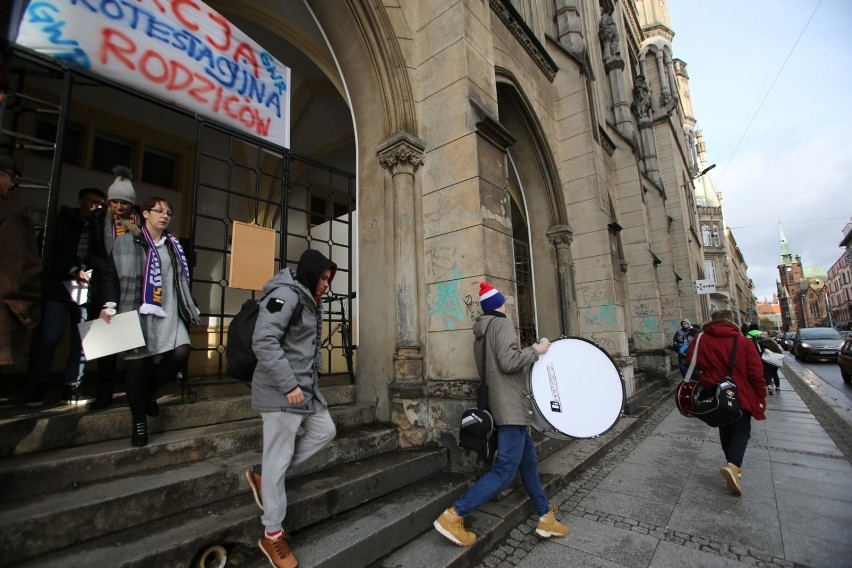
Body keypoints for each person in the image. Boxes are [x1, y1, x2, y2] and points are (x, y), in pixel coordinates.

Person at [433, 282, 568, 547]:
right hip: (511, 408)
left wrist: (524, 352)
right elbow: (508, 362)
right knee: (506, 469)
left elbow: (496, 365)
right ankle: (454, 514)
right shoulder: (502, 324)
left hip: (500, 405)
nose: (508, 304)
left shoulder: (482, 331)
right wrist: (536, 351)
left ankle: (544, 515)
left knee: (528, 462)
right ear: (499, 304)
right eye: (505, 301)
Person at [244, 249, 338, 568]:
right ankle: (272, 535)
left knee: (325, 431)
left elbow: (307, 345)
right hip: (280, 391)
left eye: (329, 279)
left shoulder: (310, 299)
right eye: (323, 277)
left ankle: (267, 476)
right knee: (279, 456)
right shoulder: (286, 295)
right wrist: (288, 385)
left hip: (304, 389)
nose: (326, 284)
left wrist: (314, 375)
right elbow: (264, 340)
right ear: (311, 273)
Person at [99, 196, 200, 447]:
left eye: (169, 212)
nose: (164, 215)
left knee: (181, 352)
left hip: (169, 310)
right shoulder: (126, 242)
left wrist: (190, 303)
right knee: (138, 365)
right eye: (159, 211)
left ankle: (148, 392)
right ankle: (139, 423)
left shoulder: (174, 246)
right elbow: (111, 276)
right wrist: (108, 305)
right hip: (138, 309)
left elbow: (179, 280)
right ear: (145, 213)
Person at [26, 188, 105, 407]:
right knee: (50, 336)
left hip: (87, 293)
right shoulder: (60, 223)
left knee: (82, 342)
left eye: (101, 203)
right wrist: (71, 270)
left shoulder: (101, 229)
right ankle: (37, 386)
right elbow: (45, 253)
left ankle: (72, 387)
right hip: (58, 289)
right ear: (81, 201)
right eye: (93, 202)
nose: (97, 206)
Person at [79, 166, 142, 409]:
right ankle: (103, 393)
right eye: (114, 201)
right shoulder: (95, 220)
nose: (118, 207)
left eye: (124, 203)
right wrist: (106, 265)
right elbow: (83, 251)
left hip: (134, 283)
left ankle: (134, 391)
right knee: (106, 341)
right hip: (106, 282)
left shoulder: (140, 221)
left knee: (135, 341)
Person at [685, 310, 765, 496]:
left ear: (712, 320)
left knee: (725, 427)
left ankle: (732, 466)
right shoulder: (743, 341)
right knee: (742, 429)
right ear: (732, 320)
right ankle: (734, 465)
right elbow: (755, 372)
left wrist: (710, 370)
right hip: (739, 391)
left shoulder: (701, 338)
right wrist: (760, 396)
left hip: (714, 390)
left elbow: (690, 361)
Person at [0, 155, 42, 368]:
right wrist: (30, 315)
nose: (13, 183)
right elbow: (21, 274)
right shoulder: (11, 217)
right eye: (10, 176)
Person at [748, 329, 783, 395]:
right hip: (774, 361)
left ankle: (769, 386)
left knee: (767, 373)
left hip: (765, 361)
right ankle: (778, 387)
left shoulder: (759, 344)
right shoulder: (772, 343)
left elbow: (758, 353)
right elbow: (779, 352)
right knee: (775, 374)